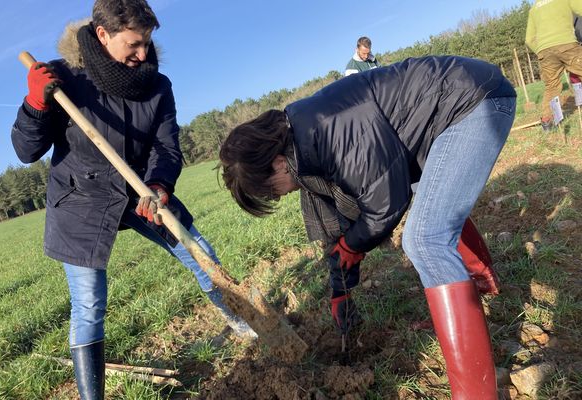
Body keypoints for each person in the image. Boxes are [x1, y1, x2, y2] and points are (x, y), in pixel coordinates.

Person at [219, 55, 516, 399]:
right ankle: (478, 279)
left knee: (424, 240)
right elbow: (336, 230)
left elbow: (385, 204)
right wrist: (340, 288)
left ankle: (476, 394)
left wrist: (354, 245)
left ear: (277, 164)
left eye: (270, 190)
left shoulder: (333, 128)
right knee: (433, 207)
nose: (278, 196)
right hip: (443, 118)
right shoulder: (300, 145)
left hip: (472, 101)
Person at [11, 0, 254, 398]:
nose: (143, 54)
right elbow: (25, 150)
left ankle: (245, 325)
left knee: (201, 254)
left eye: (148, 43)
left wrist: (159, 186)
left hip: (142, 192)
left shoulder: (156, 86)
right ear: (103, 35)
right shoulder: (63, 78)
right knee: (88, 304)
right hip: (81, 200)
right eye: (134, 44)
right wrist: (35, 104)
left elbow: (167, 148)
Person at [525, 0, 582, 131]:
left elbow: (528, 39)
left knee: (552, 87)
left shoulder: (534, 8)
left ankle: (546, 121)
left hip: (545, 51)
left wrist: (540, 50)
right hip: (566, 44)